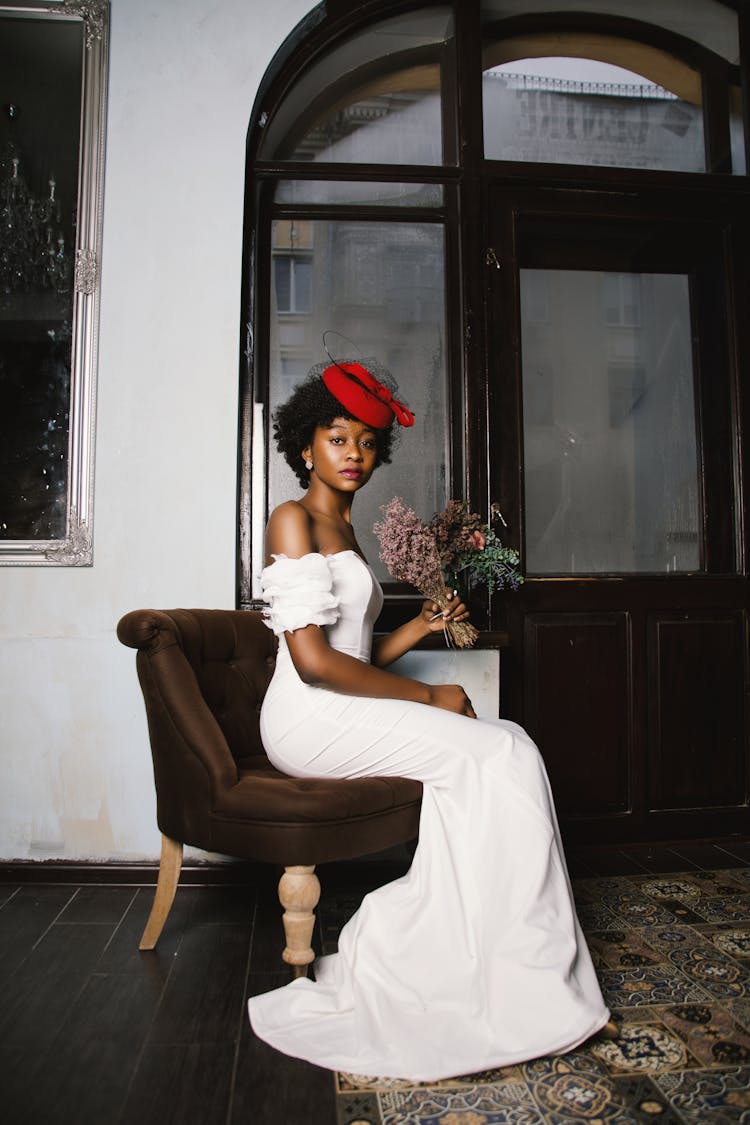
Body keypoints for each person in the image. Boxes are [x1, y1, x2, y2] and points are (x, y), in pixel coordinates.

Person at [247, 357, 612, 1081]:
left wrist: (418, 631)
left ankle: (482, 955)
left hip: (339, 703)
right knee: (497, 755)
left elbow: (356, 650)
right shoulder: (293, 519)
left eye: (366, 442)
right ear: (304, 445)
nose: (353, 454)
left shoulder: (344, 531)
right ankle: (485, 969)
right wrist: (432, 694)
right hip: (304, 716)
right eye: (336, 437)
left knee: (507, 742)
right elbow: (315, 661)